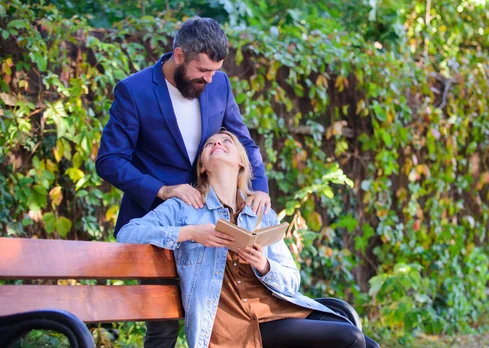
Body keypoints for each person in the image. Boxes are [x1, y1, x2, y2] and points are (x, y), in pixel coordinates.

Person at [96, 17, 270, 347]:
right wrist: (161, 189)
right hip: (157, 225)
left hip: (210, 224)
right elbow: (109, 161)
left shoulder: (219, 84)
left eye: (215, 71)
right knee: (162, 327)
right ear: (179, 55)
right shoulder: (134, 91)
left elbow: (244, 141)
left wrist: (259, 186)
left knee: (216, 315)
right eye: (202, 71)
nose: (209, 78)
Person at [117, 130, 380, 348]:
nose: (217, 143)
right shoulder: (185, 207)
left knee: (370, 345)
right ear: (203, 167)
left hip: (277, 312)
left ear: (241, 162)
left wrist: (264, 266)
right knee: (350, 338)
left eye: (225, 142)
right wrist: (189, 233)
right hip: (232, 329)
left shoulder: (261, 213)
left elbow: (292, 280)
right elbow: (127, 234)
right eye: (209, 144)